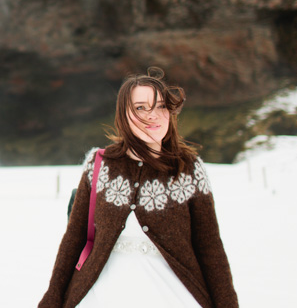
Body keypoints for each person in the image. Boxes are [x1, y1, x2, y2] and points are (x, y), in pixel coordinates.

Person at [38, 68, 238, 308]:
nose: (152, 115)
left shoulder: (189, 169)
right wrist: (52, 299)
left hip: (172, 295)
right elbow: (74, 238)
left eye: (161, 106)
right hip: (101, 295)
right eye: (141, 107)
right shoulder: (99, 164)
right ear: (124, 114)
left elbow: (211, 249)